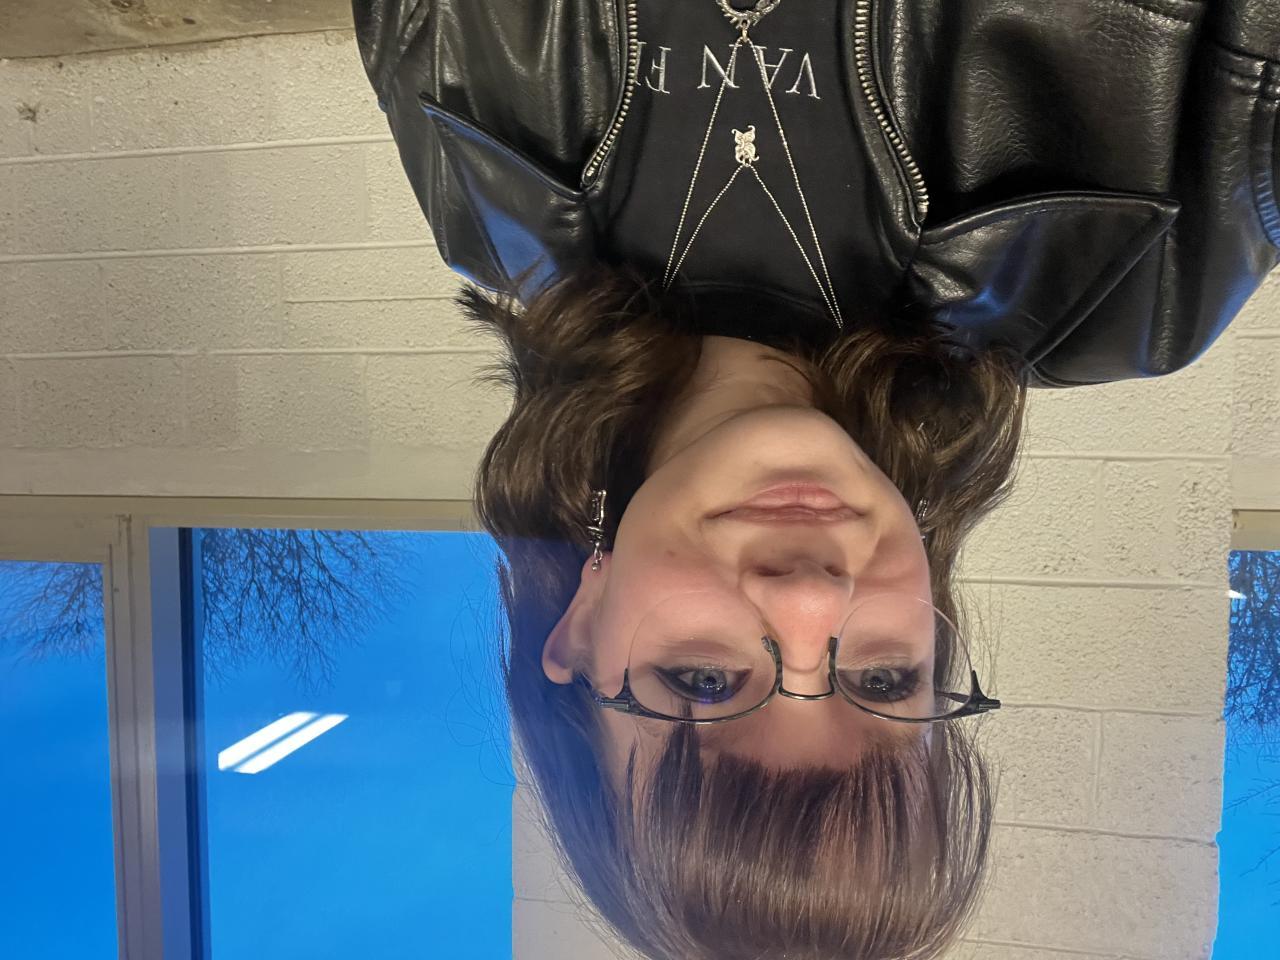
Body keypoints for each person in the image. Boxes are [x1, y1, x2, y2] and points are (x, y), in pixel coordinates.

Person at [352, 1, 1280, 957]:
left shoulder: (472, 168)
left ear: (581, 630)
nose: (811, 599)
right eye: (882, 679)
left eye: (705, 680)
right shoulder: (1146, 277)